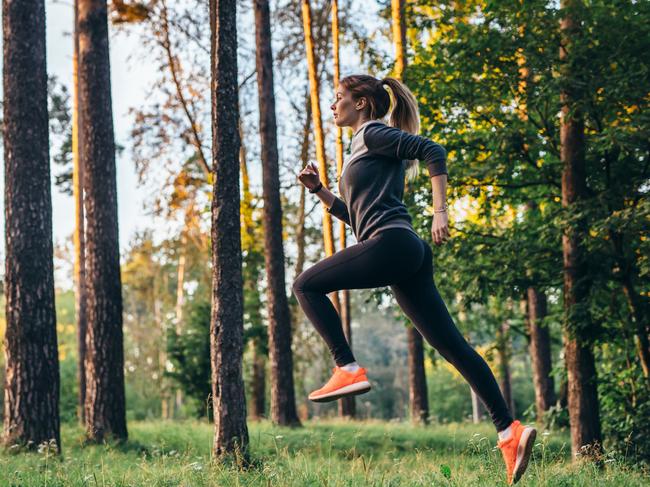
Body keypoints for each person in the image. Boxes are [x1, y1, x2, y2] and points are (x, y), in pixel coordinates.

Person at [293, 74, 536, 485]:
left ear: (364, 104)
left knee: (305, 284)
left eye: (339, 98)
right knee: (452, 346)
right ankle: (509, 430)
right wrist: (320, 191)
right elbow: (357, 219)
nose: (333, 106)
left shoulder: (373, 134)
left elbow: (433, 150)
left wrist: (441, 212)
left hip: (395, 245)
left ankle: (347, 367)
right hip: (404, 250)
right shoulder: (361, 147)